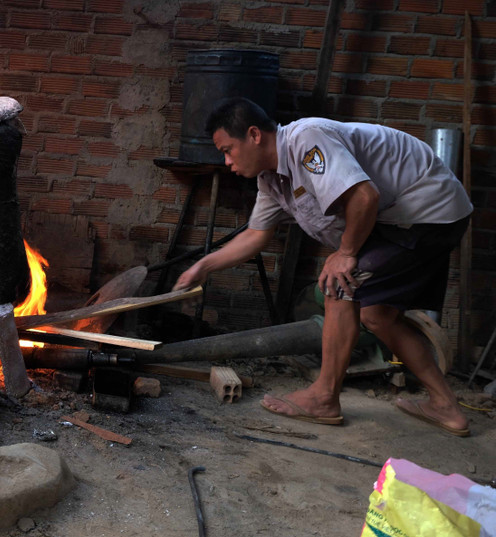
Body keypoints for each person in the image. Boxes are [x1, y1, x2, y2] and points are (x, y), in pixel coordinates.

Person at [174, 97, 474, 436]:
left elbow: (364, 197)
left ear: (254, 135)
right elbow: (256, 236)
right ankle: (446, 407)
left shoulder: (307, 139)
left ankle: (324, 397)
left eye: (228, 150)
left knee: (337, 284)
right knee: (376, 315)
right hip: (408, 221)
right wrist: (202, 267)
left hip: (426, 213)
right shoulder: (272, 180)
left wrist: (346, 252)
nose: (226, 161)